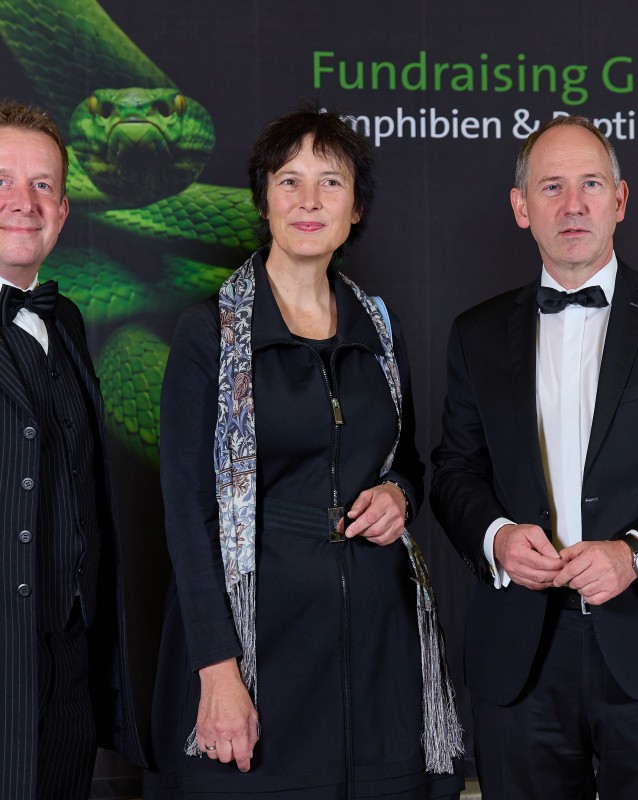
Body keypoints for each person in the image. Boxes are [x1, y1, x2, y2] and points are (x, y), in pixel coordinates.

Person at [430, 114, 638, 800]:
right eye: (551, 187)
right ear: (521, 207)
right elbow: (454, 471)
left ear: (620, 199)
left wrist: (635, 554)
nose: (573, 204)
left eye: (590, 184)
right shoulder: (476, 333)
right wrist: (496, 538)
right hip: (520, 662)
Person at [143, 107, 463, 800]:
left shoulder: (380, 327)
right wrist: (217, 670)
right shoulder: (208, 332)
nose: (309, 201)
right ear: (263, 201)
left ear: (357, 207)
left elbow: (407, 462)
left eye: (331, 182)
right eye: (289, 181)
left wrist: (400, 495)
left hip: (380, 652)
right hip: (260, 651)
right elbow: (187, 514)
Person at [0, 100, 146, 799]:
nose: (23, 202)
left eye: (42, 186)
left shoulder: (71, 323)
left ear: (62, 212)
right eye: (1, 180)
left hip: (66, 673)